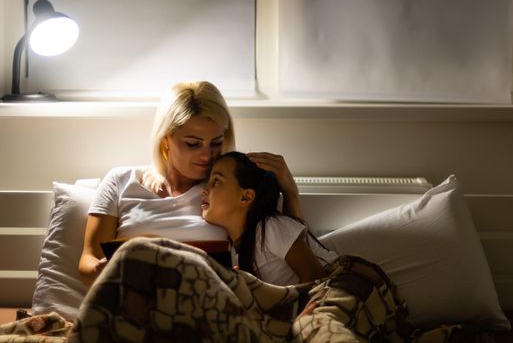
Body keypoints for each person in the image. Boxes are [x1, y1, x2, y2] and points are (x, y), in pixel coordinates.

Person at [78, 81, 302, 287]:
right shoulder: (120, 180)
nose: (207, 155)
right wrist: (105, 268)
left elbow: (288, 247)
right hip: (132, 300)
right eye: (193, 144)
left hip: (206, 306)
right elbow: (88, 260)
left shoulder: (225, 191)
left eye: (215, 143)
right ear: (166, 140)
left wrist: (291, 194)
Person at [202, 151, 338, 285]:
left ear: (245, 197)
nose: (204, 189)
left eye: (217, 181)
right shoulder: (233, 249)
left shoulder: (269, 227)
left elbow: (315, 275)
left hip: (340, 283)